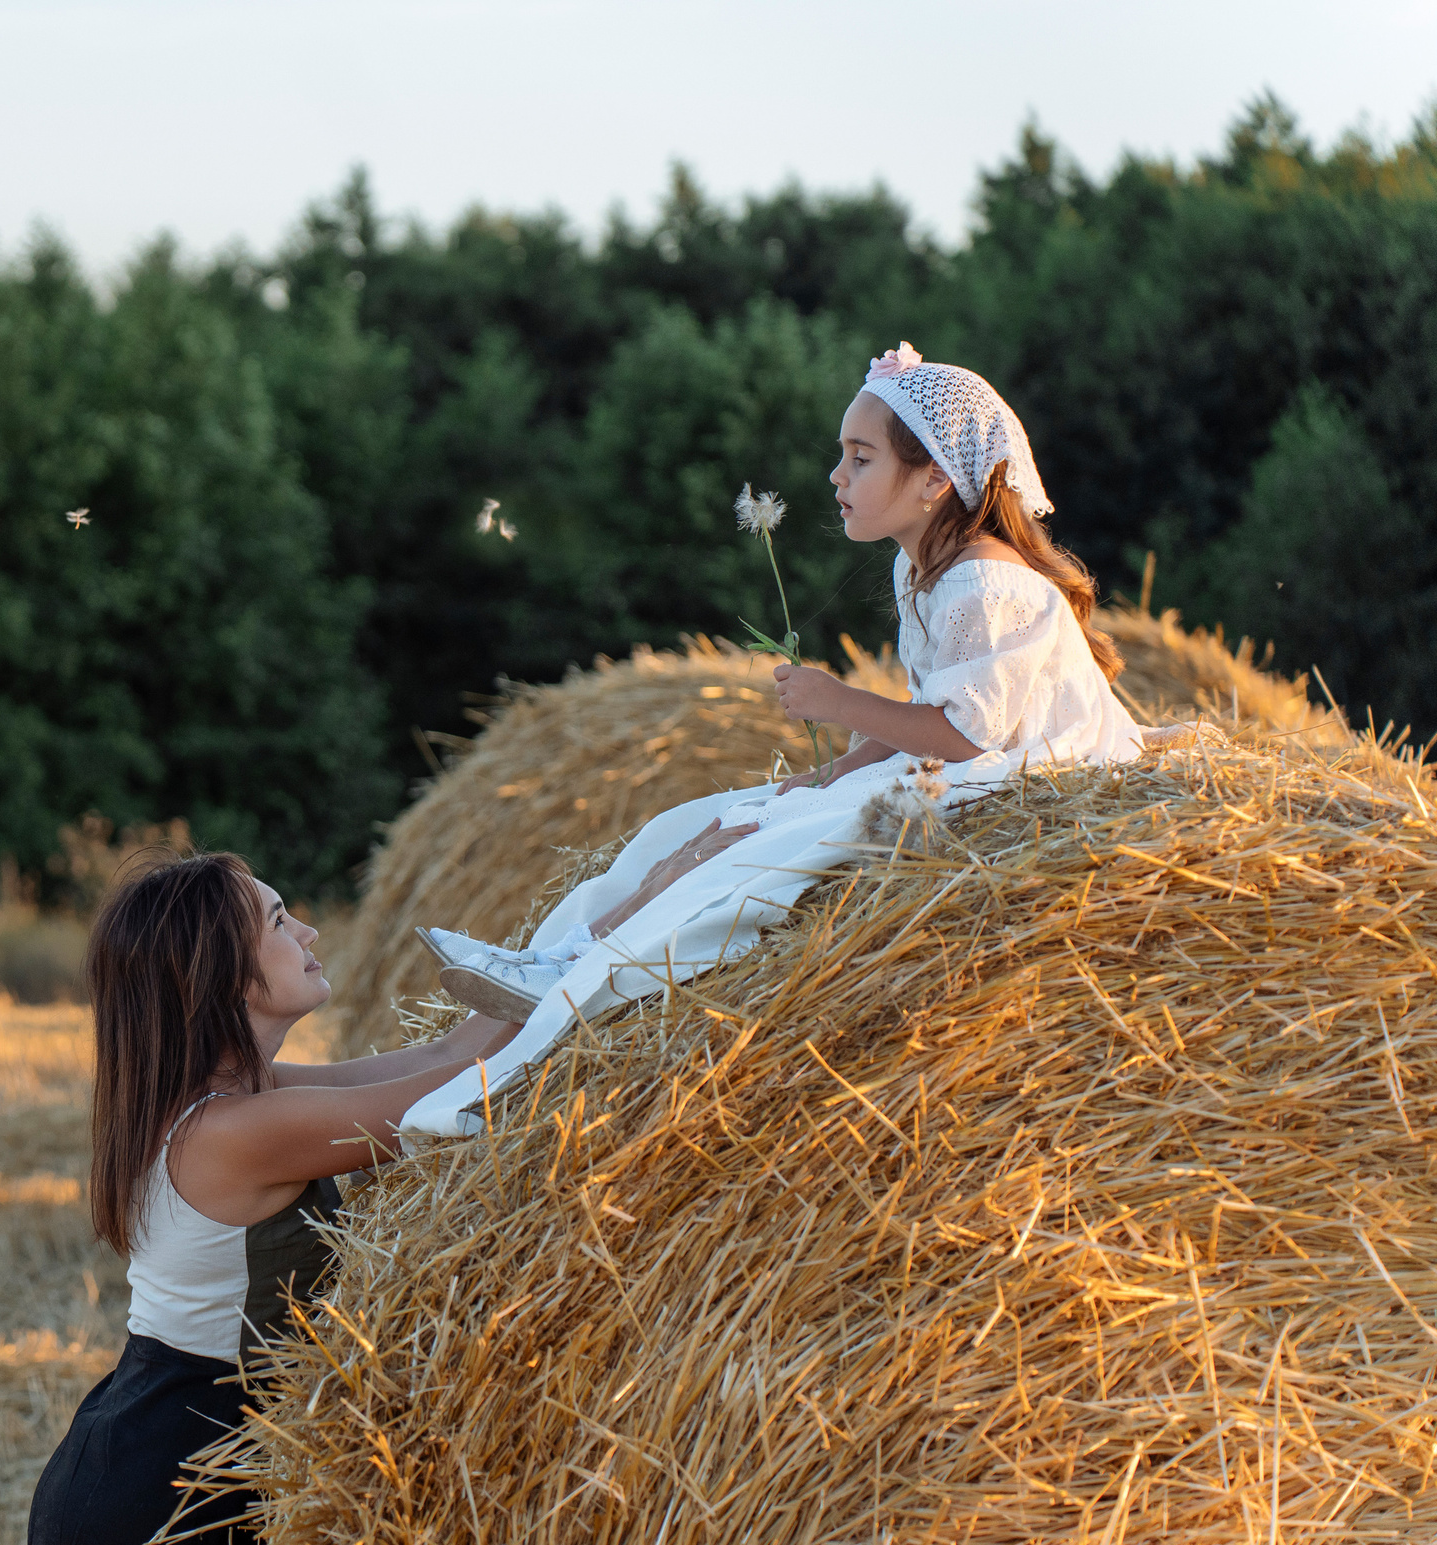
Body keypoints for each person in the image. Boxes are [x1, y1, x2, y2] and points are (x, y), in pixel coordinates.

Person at [406, 343, 1142, 1132]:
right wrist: (829, 778)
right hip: (971, 763)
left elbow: (965, 735)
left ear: (933, 480)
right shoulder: (924, 569)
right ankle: (569, 954)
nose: (836, 477)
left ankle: (579, 969)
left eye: (859, 459)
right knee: (718, 823)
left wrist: (839, 702)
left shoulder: (981, 580)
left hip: (1034, 781)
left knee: (755, 850)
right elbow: (933, 713)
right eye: (841, 456)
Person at [0, 850, 519, 1545]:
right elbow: (470, 1090)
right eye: (278, 921)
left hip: (175, 1447)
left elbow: (450, 1047)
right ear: (224, 974)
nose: (309, 931)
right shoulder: (235, 1131)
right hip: (170, 1478)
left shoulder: (235, 1098)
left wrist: (605, 932)